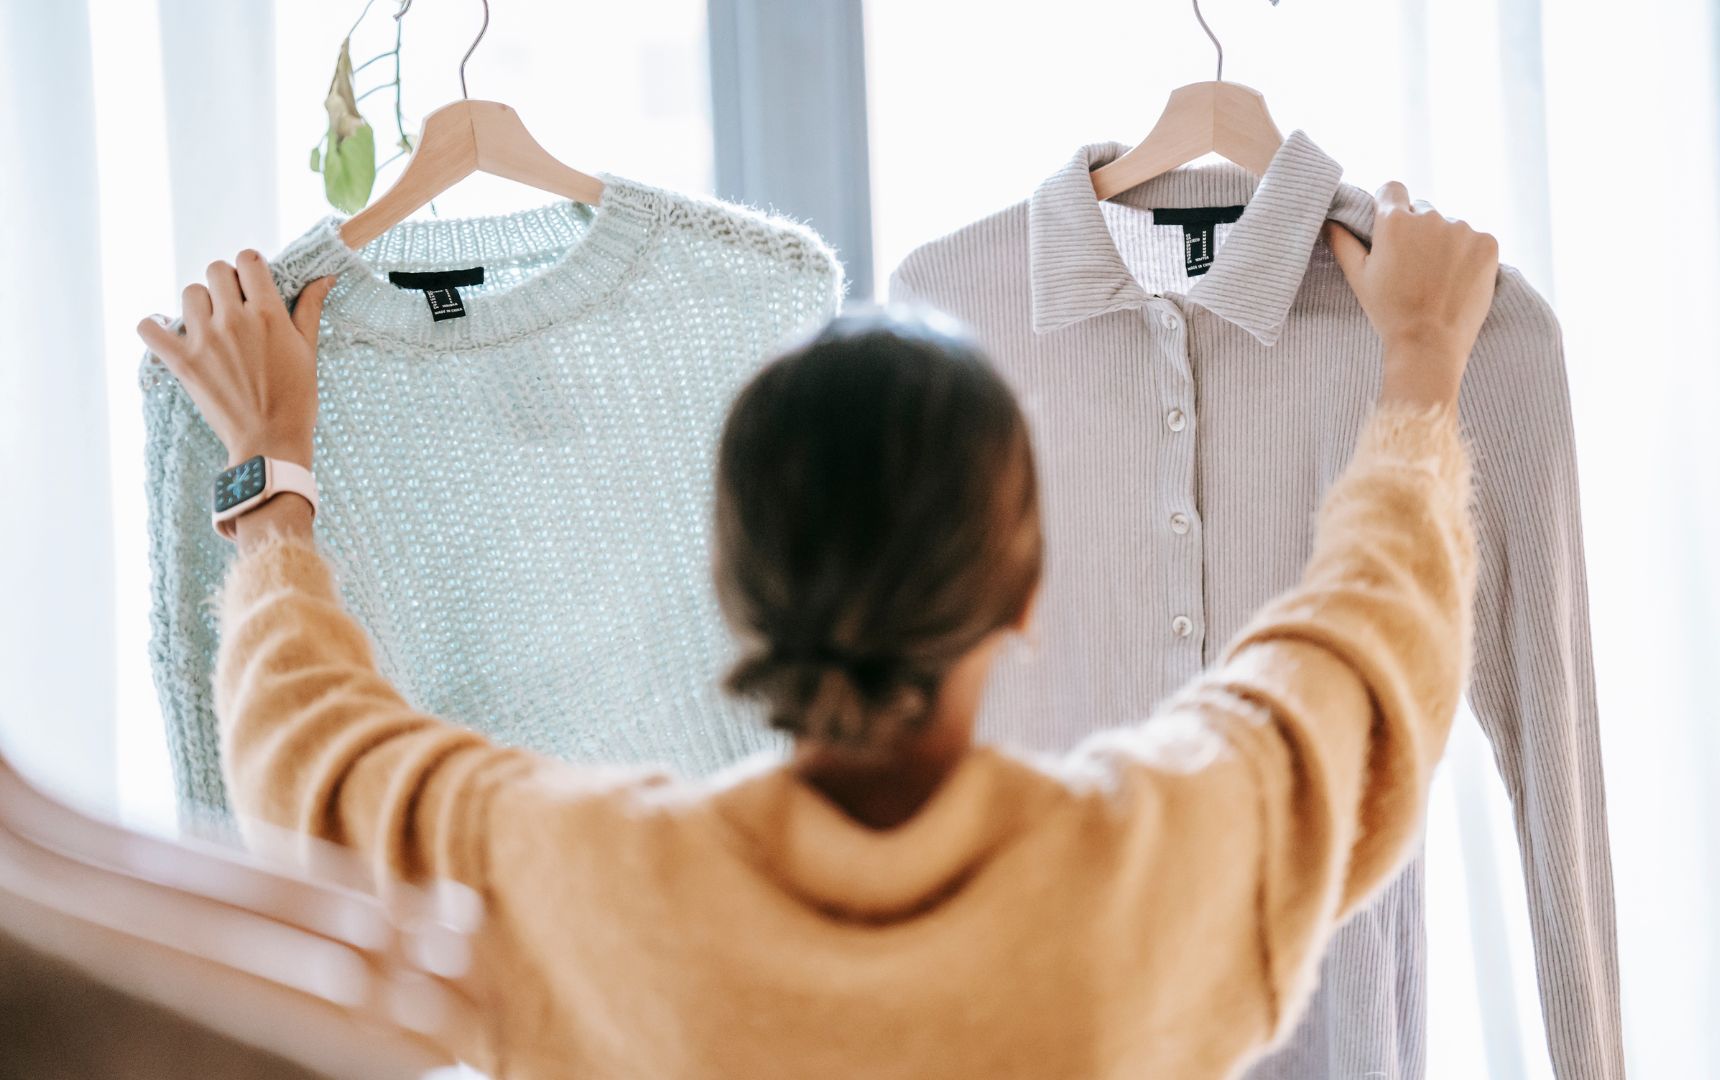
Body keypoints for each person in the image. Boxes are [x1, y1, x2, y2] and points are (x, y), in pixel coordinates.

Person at [136, 181, 1496, 1080]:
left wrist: (271, 474)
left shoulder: (599, 889)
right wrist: (1423, 367)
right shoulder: (1147, 872)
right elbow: (1355, 662)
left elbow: (318, 762)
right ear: (1025, 591)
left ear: (731, 591)